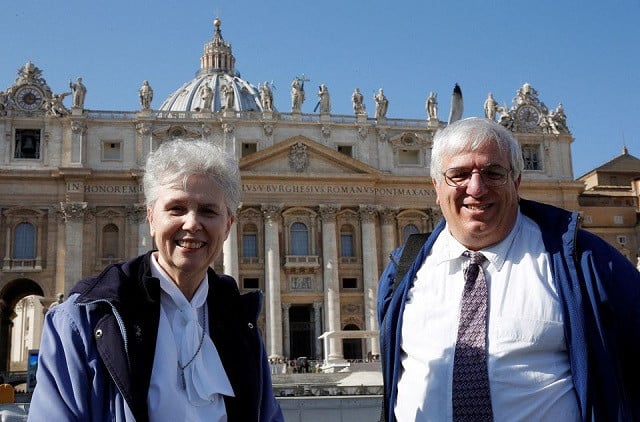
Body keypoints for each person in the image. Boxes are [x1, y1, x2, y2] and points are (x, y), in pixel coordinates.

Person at [377, 117, 640, 421]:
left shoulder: (586, 259)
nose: (476, 188)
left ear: (516, 182)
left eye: (493, 173)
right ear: (436, 186)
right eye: (459, 175)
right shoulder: (402, 270)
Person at [29, 138, 283, 421]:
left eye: (208, 210)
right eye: (176, 208)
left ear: (228, 226)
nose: (191, 224)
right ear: (150, 217)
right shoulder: (82, 319)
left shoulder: (243, 321)